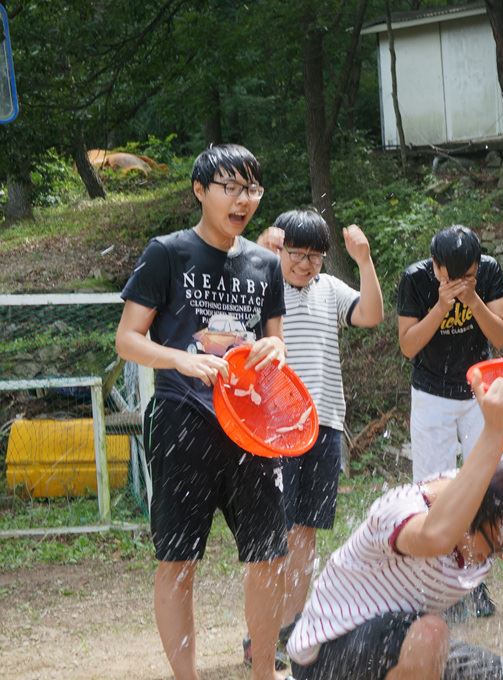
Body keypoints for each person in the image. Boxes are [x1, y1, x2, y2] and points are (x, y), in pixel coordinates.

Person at [285, 352, 503, 680]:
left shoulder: (496, 491)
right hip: (325, 657)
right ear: (469, 518)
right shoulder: (404, 510)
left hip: (402, 642)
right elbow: (435, 536)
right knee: (431, 633)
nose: (500, 558)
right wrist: (495, 432)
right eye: (497, 547)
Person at [115, 144, 290, 680]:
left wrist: (275, 349)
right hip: (181, 417)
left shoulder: (265, 263)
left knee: (268, 555)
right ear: (200, 190)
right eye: (230, 188)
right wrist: (180, 360)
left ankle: (264, 672)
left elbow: (276, 343)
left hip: (250, 424)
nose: (243, 200)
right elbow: (127, 339)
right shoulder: (167, 253)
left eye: (251, 189)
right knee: (178, 559)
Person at [248, 210, 384, 663]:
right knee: (273, 532)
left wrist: (363, 260)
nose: (305, 264)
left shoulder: (329, 289)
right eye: (296, 254)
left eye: (315, 256)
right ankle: (260, 634)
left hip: (323, 424)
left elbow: (371, 315)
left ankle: (293, 627)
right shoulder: (264, 286)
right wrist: (260, 251)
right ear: (280, 251)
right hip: (275, 429)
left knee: (305, 530)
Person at [396, 225, 503, 616]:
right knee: (434, 492)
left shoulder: (489, 271)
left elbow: (500, 337)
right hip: (431, 393)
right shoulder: (415, 279)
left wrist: (474, 299)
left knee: (485, 487)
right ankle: (439, 585)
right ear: (435, 265)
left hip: (478, 390)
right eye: (450, 277)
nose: (461, 282)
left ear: (478, 265)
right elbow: (408, 344)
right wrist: (441, 307)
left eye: (469, 275)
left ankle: (474, 582)